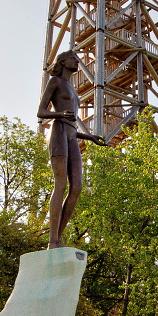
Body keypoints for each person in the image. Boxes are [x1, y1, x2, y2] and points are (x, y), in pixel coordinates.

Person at [37, 50, 105, 248]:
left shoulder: (74, 92)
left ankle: (58, 237)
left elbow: (73, 123)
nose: (77, 62)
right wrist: (59, 114)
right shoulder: (55, 82)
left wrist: (90, 137)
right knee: (61, 184)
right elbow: (40, 112)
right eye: (73, 59)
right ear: (63, 62)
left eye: (77, 60)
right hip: (57, 132)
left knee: (77, 187)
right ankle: (52, 241)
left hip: (72, 134)